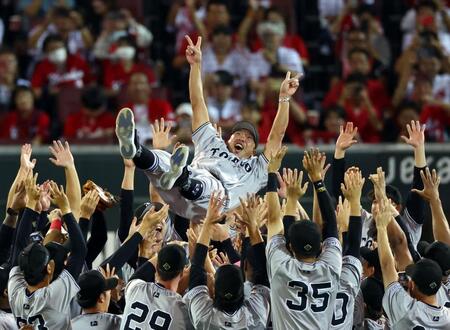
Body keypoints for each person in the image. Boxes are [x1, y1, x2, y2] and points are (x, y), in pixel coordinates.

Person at [115, 35, 300, 222]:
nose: (242, 137)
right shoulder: (213, 143)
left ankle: (182, 178)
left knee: (210, 185)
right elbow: (197, 104)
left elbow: (277, 135)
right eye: (237, 133)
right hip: (177, 197)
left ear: (254, 149)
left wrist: (284, 98)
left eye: (249, 138)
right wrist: (195, 66)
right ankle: (135, 150)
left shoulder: (258, 169)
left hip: (213, 206)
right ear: (228, 139)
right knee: (163, 158)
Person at [265, 148, 342, 329]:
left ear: (290, 247)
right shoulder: (331, 267)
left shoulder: (281, 268)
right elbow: (331, 224)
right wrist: (318, 181)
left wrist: (289, 197)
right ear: (321, 247)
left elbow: (274, 221)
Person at [8, 178, 86, 329]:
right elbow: (80, 251)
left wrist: (32, 205)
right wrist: (66, 209)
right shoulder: (53, 296)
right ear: (49, 268)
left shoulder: (15, 291)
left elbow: (18, 246)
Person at [184, 193, 270, 329]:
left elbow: (196, 270)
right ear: (243, 289)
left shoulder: (203, 318)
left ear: (213, 289)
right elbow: (261, 273)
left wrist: (207, 224)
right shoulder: (256, 317)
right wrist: (252, 228)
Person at [375, 196, 450, 328]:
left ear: (412, 286)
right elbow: (388, 265)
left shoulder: (405, 309)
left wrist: (381, 227)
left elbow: (388, 265)